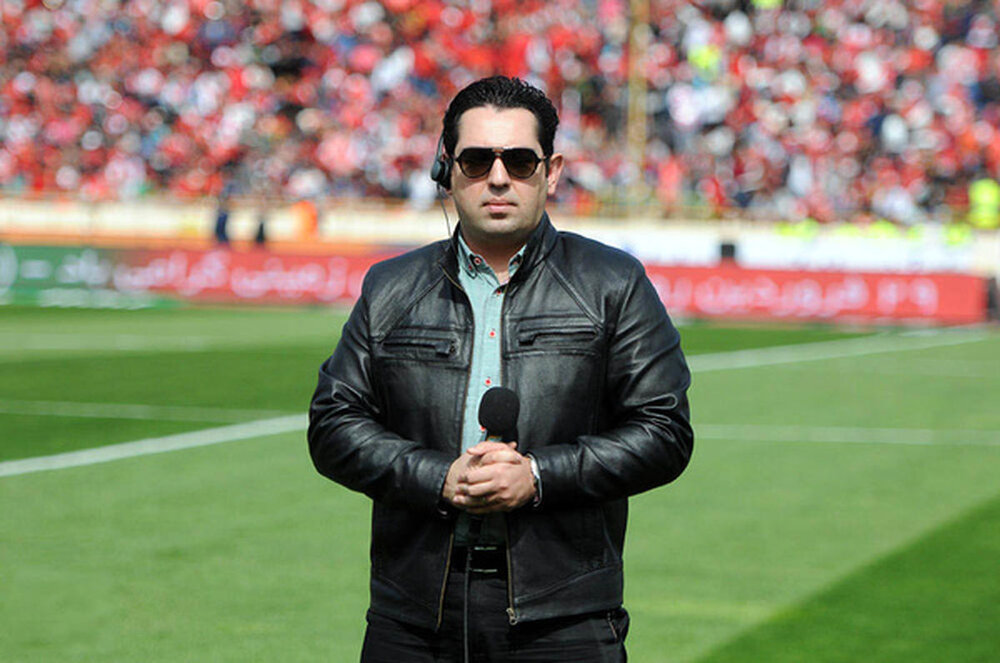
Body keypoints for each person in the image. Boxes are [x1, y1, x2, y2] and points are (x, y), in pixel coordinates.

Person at [309, 76, 693, 662]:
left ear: (551, 171)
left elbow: (664, 432)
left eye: (518, 160)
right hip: (411, 614)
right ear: (446, 170)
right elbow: (333, 425)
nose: (497, 177)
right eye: (475, 160)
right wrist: (438, 478)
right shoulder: (390, 287)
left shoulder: (613, 283)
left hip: (565, 614)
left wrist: (538, 476)